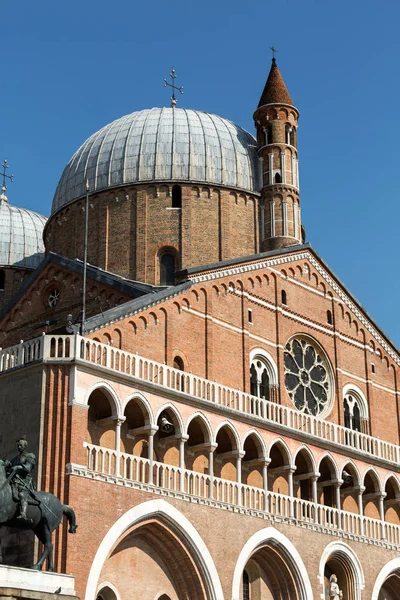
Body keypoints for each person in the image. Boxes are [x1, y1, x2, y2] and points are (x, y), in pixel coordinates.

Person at [4, 437, 36, 521]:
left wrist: (17, 467)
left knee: (22, 495)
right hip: (14, 480)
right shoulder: (17, 457)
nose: (19, 447)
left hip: (24, 481)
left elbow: (28, 468)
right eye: (18, 445)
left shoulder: (30, 456)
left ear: (25, 446)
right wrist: (3, 463)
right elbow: (8, 463)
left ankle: (23, 514)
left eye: (20, 445)